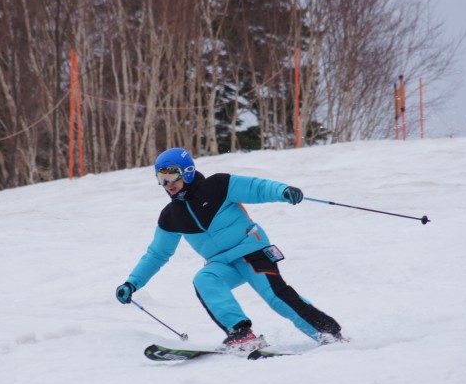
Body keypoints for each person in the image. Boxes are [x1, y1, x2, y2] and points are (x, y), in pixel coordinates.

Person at [115, 147, 343, 350]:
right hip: (222, 264)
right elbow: (157, 254)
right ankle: (242, 334)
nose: (168, 183)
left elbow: (257, 188)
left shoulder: (218, 185)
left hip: (251, 251)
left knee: (275, 297)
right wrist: (132, 282)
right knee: (205, 278)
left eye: (172, 175)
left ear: (187, 171)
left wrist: (283, 191)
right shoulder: (171, 216)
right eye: (161, 178)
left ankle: (328, 333)